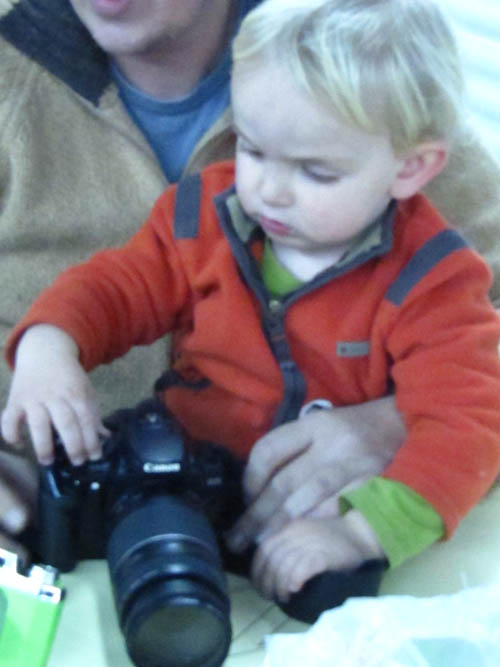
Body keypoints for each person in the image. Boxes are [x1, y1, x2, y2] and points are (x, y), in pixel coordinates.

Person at [3, 0, 500, 611]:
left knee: (327, 597)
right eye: (251, 149)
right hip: (178, 476)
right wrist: (48, 344)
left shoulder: (433, 277)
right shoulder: (207, 213)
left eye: (316, 172)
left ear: (412, 168)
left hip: (311, 513)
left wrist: (361, 530)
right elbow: (114, 287)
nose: (269, 190)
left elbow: (468, 423)